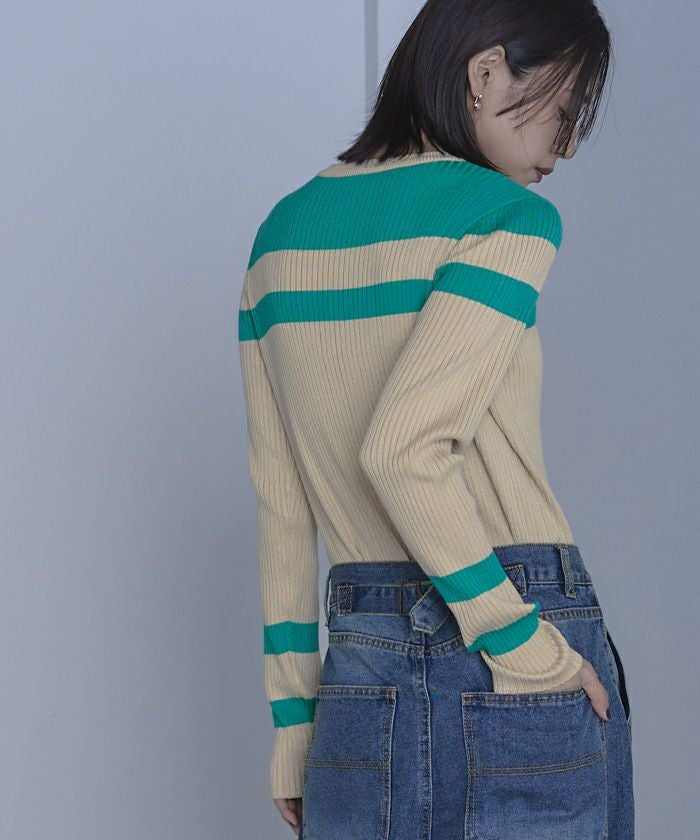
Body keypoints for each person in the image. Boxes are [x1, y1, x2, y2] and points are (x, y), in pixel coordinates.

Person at [237, 0, 633, 837]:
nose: (562, 148)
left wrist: (294, 724)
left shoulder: (280, 238)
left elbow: (283, 508)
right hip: (508, 623)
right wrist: (521, 642)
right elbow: (403, 451)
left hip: (358, 673)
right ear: (487, 73)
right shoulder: (505, 219)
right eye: (563, 111)